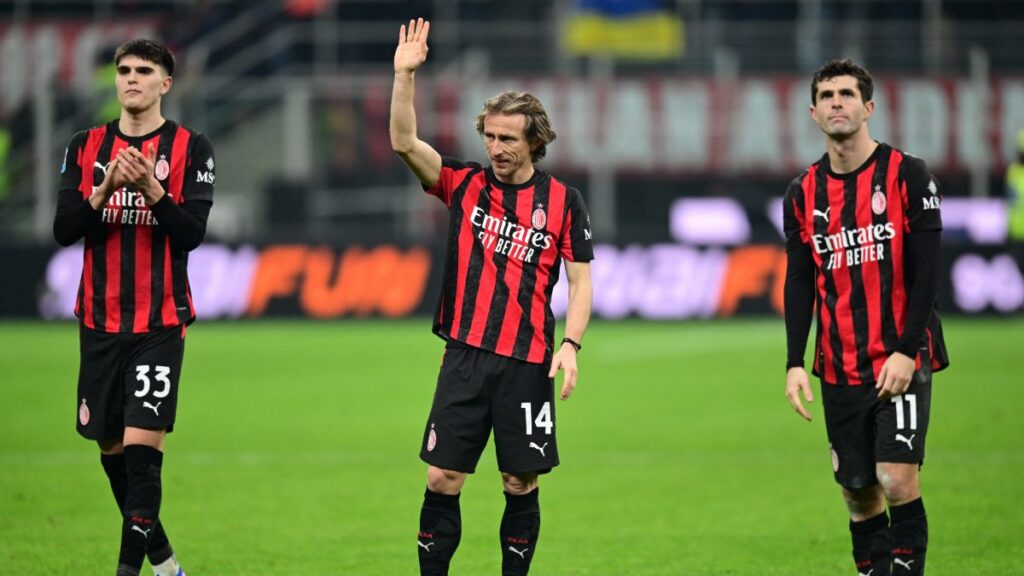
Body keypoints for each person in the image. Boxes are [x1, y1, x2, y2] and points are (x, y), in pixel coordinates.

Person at [390, 18, 594, 576]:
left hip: (528, 362)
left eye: (508, 139)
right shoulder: (464, 184)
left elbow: (580, 282)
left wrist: (571, 344)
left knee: (519, 481)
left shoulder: (563, 202)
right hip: (465, 356)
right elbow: (404, 142)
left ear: (535, 142)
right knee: (442, 477)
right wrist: (404, 77)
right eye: (490, 136)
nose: (495, 148)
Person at [53, 39, 215, 576]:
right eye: (123, 70)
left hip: (160, 323)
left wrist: (153, 190)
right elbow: (64, 230)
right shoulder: (85, 146)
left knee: (144, 456)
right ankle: (167, 568)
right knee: (113, 454)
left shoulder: (193, 148)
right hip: (99, 321)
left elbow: (191, 234)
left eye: (144, 71)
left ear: (165, 83)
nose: (130, 78)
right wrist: (102, 192)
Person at [783, 59, 949, 576]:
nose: (837, 102)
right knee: (858, 494)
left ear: (868, 107)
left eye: (847, 94)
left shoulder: (907, 174)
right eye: (827, 95)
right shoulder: (802, 193)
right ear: (813, 113)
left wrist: (906, 349)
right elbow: (800, 281)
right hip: (839, 364)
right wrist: (794, 361)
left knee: (896, 480)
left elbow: (928, 271)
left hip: (899, 356)